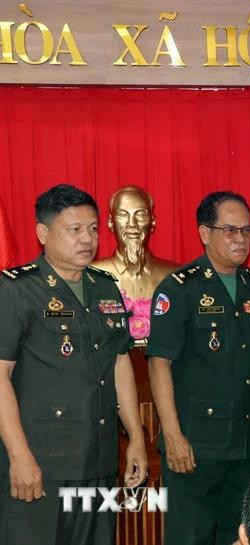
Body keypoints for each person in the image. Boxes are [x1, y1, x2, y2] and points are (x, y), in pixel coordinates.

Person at [147, 191, 250, 545]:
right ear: (205, 233)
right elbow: (159, 364)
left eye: (247, 231)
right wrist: (172, 435)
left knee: (242, 536)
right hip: (196, 445)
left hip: (249, 444)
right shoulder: (179, 288)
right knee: (191, 537)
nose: (241, 239)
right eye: (230, 230)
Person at [0, 184, 148, 545]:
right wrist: (19, 457)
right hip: (41, 466)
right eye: (75, 229)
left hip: (97, 463)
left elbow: (119, 363)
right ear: (43, 233)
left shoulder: (105, 288)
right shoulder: (17, 290)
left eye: (94, 228)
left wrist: (136, 437)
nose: (88, 238)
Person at [92, 186, 177, 342]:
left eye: (141, 214)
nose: (132, 223)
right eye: (123, 215)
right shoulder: (92, 275)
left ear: (153, 222)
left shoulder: (175, 275)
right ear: (110, 223)